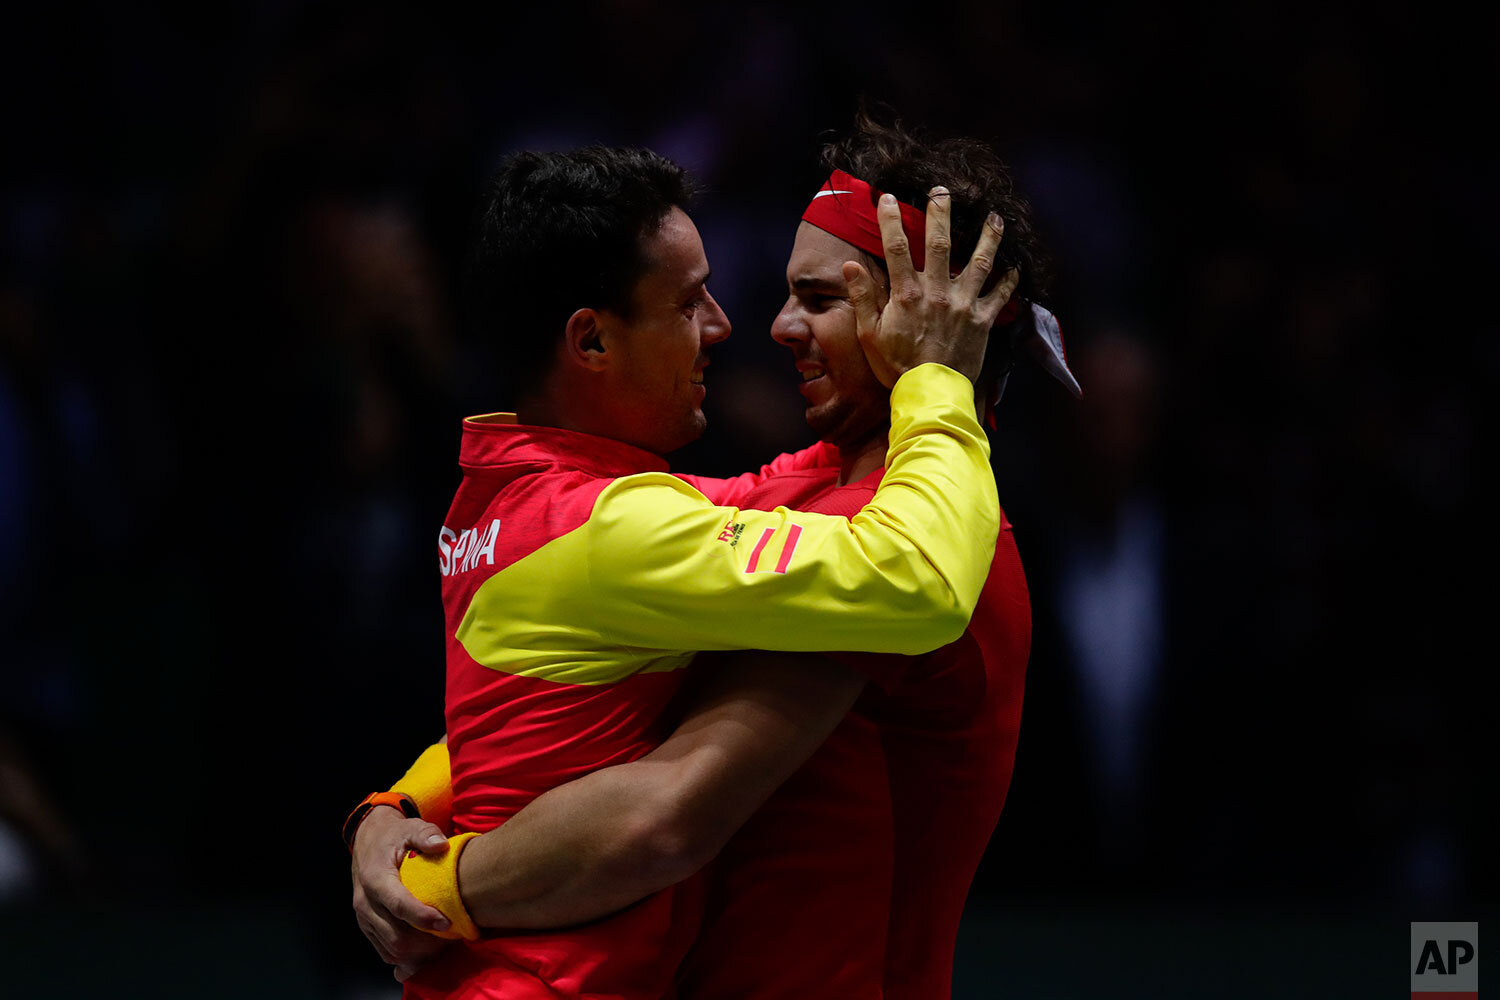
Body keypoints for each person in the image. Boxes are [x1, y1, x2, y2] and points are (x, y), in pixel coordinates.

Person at [351, 114, 1080, 1000]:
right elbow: (580, 684)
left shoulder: (919, 539)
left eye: (820, 298)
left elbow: (660, 813)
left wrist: (433, 874)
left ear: (925, 321)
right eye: (781, 294)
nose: (762, 327)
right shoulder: (799, 503)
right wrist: (399, 810)